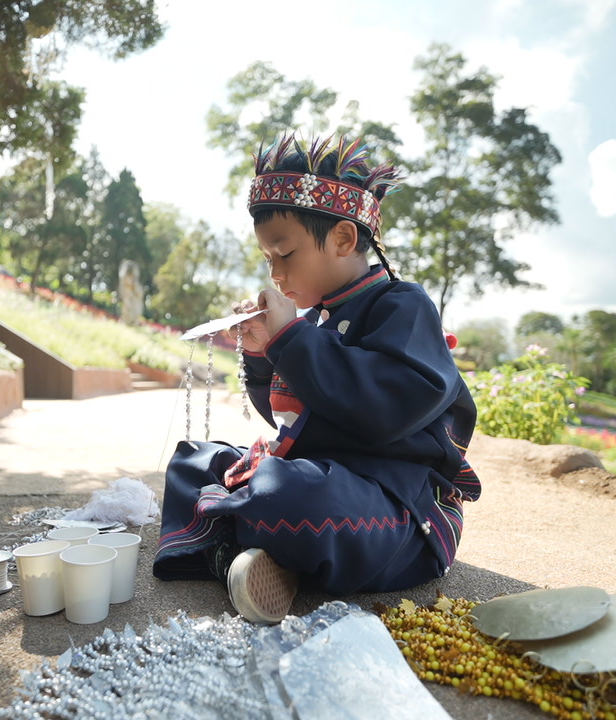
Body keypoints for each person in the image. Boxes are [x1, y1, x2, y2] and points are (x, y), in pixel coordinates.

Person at [153, 135, 482, 623]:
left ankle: (237, 545)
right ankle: (254, 561)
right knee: (192, 463)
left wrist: (291, 338)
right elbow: (292, 418)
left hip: (391, 509)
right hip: (318, 476)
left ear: (345, 240)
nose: (276, 273)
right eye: (268, 260)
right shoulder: (319, 321)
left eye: (285, 253)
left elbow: (384, 412)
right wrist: (267, 354)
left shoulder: (404, 306)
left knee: (285, 495)